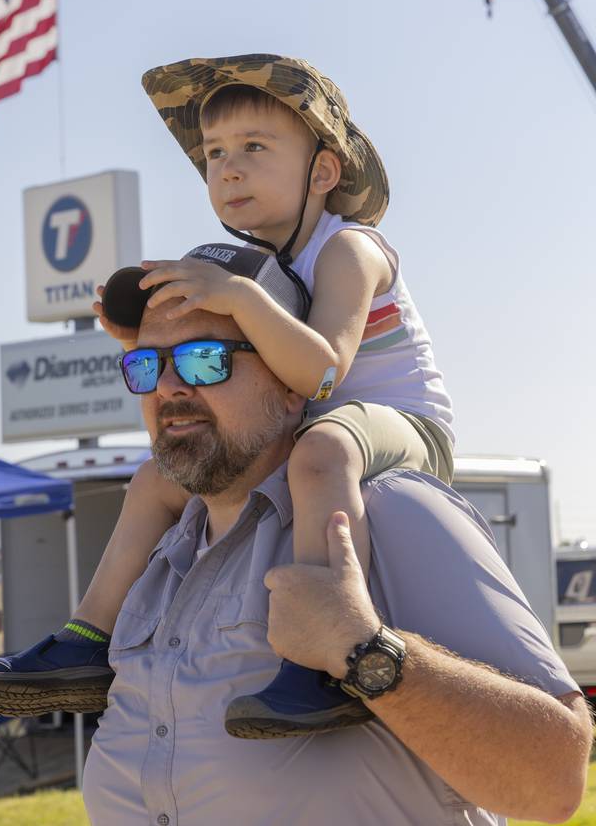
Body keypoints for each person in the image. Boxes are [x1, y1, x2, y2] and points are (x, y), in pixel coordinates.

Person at [0, 54, 457, 736]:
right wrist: (142, 332)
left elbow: (318, 374)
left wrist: (239, 298)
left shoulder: (349, 251)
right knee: (154, 478)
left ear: (323, 171)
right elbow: (244, 364)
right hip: (322, 421)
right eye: (215, 153)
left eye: (255, 147)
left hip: (405, 426)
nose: (227, 168)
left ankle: (326, 650)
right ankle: (89, 639)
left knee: (320, 453)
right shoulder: (267, 266)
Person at [81, 264, 590, 826]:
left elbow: (555, 781)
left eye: (206, 358)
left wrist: (364, 651)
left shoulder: (393, 512)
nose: (169, 387)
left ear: (290, 382)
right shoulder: (160, 555)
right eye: (147, 364)